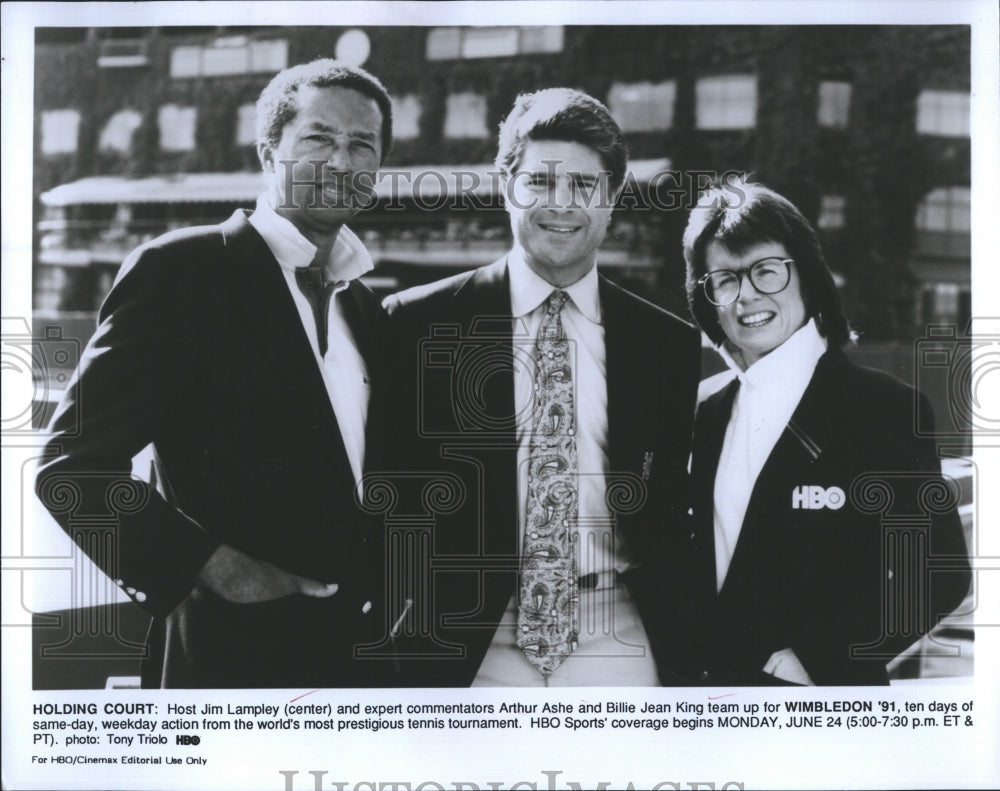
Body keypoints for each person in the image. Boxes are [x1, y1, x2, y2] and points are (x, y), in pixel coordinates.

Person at [35, 59, 395, 688]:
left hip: (361, 660)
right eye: (318, 138)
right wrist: (222, 570)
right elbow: (71, 470)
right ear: (268, 153)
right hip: (231, 657)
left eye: (362, 144)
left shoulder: (364, 304)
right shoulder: (182, 271)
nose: (342, 161)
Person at [378, 88, 701, 686]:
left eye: (584, 185)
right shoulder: (417, 323)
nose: (561, 204)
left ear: (612, 201)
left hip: (616, 628)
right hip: (464, 633)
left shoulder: (668, 345)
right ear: (506, 186)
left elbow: (672, 508)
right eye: (540, 182)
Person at [672, 179, 971, 685]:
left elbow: (937, 574)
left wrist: (818, 657)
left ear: (806, 276)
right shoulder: (704, 408)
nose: (747, 296)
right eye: (724, 279)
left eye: (766, 271)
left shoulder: (885, 408)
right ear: (708, 298)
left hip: (821, 706)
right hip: (708, 706)